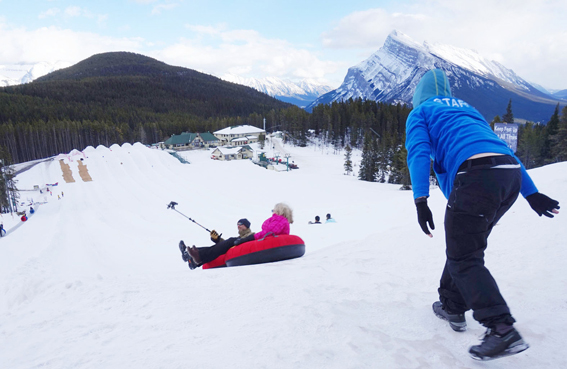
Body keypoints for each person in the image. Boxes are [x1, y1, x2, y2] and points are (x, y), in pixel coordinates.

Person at [405, 69, 560, 361]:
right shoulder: (467, 109)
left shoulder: (421, 112)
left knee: (465, 257)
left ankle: (501, 328)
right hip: (508, 177)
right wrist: (531, 193)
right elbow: (499, 149)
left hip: (476, 179)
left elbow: (418, 152)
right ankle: (452, 306)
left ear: (418, 96)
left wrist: (420, 199)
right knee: (465, 248)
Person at [178, 218, 254, 270]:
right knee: (215, 248)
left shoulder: (251, 235)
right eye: (237, 224)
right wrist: (217, 239)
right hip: (234, 249)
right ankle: (191, 259)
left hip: (242, 249)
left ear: (246, 226)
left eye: (240, 224)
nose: (238, 226)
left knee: (230, 240)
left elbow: (248, 241)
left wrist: (237, 240)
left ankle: (193, 256)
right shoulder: (239, 237)